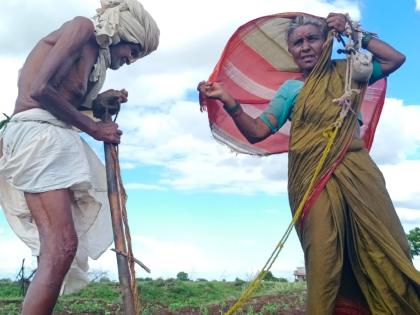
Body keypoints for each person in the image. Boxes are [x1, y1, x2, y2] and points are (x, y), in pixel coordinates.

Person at [198, 13, 420, 315]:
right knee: (324, 256)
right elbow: (257, 131)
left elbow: (396, 58)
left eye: (312, 39)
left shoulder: (350, 72)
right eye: (297, 42)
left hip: (358, 173)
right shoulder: (291, 90)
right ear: (291, 50)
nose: (305, 46)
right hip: (312, 180)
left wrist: (356, 33)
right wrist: (229, 100)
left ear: (326, 41)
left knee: (386, 247)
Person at [0, 0, 159, 314]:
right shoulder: (81, 29)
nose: (131, 60)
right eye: (135, 51)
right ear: (123, 33)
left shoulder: (96, 58)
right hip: (38, 138)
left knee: (59, 250)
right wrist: (96, 129)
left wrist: (100, 103)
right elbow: (39, 90)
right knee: (60, 248)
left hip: (50, 138)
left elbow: (67, 98)